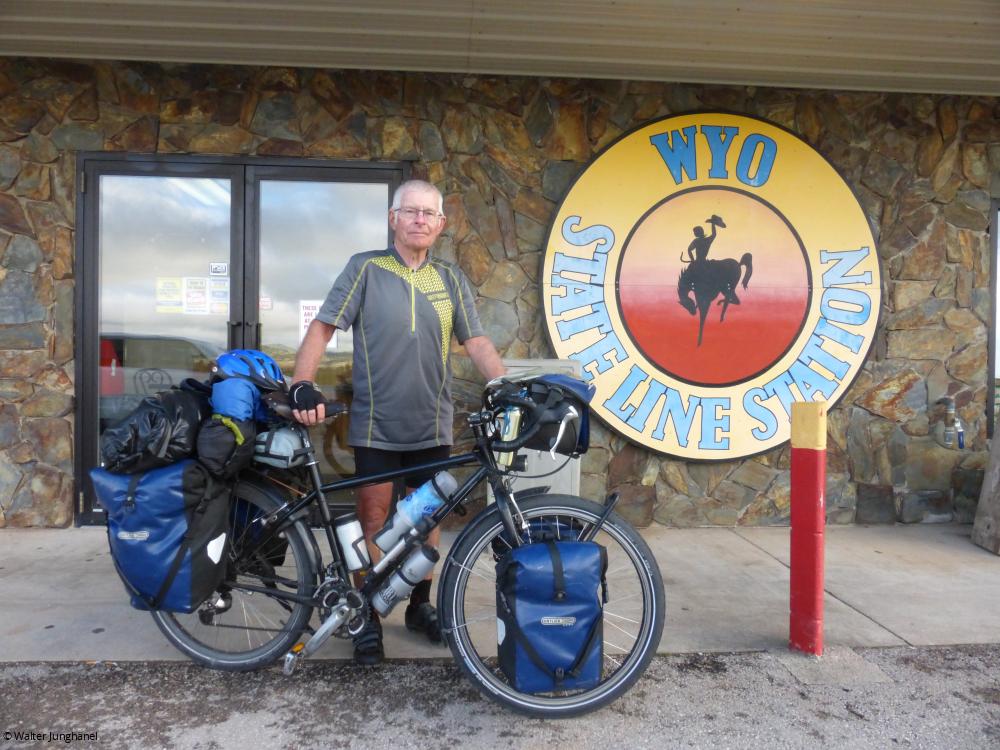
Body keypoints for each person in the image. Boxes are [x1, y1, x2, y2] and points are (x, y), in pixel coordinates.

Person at [288, 179, 505, 665]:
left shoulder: (450, 278)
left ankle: (418, 605)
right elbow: (323, 326)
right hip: (376, 424)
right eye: (410, 211)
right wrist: (302, 382)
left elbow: (476, 341)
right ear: (393, 219)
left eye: (429, 213)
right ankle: (365, 612)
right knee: (373, 518)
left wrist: (504, 384)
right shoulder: (366, 268)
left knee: (428, 518)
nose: (419, 220)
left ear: (441, 224)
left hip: (431, 423)